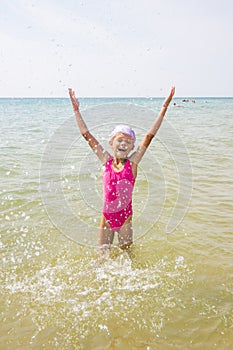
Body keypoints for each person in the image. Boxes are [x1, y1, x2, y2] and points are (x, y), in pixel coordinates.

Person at [68, 87, 175, 252]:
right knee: (101, 258)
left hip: (125, 220)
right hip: (107, 219)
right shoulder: (106, 162)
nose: (123, 144)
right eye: (120, 140)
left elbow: (149, 136)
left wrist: (164, 107)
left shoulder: (132, 164)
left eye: (128, 141)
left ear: (132, 146)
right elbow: (87, 135)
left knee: (128, 256)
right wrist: (76, 110)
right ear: (111, 143)